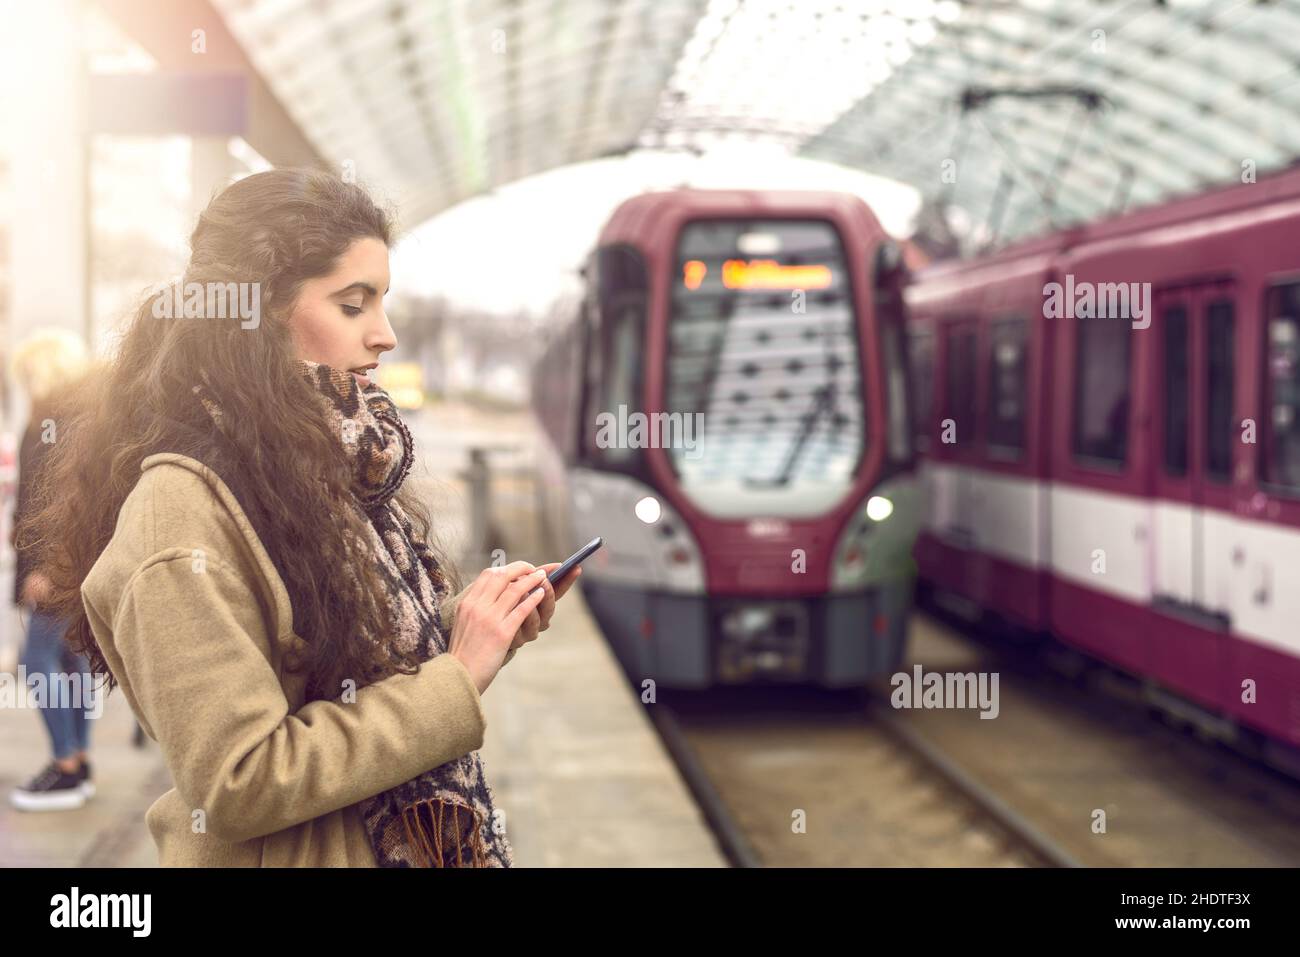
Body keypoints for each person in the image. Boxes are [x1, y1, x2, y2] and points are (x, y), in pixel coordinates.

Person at [21, 168, 581, 866]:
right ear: (258, 317)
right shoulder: (178, 519)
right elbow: (239, 780)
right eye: (354, 305)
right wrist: (455, 680)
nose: (386, 335)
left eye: (383, 302)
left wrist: (476, 629)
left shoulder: (309, 471)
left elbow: (337, 671)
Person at [8, 330, 99, 811]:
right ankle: (78, 763)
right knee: (70, 662)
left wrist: (46, 568)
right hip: (70, 568)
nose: (25, 383)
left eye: (28, 374)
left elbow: (62, 506)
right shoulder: (77, 419)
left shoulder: (56, 422)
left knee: (36, 662)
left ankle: (65, 766)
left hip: (57, 571)